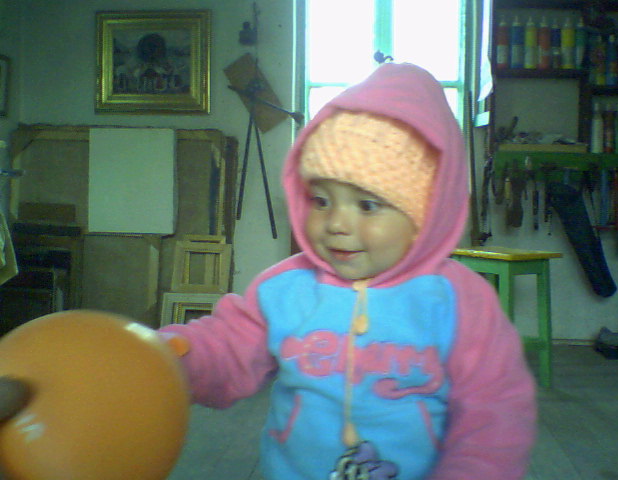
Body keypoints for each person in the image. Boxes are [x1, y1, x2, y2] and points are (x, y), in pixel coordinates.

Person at [0, 63, 536, 479]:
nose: (337, 224)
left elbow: (495, 413)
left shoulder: (460, 303)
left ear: (426, 212)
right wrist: (160, 359)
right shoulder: (286, 289)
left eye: (368, 205)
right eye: (321, 199)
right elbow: (226, 346)